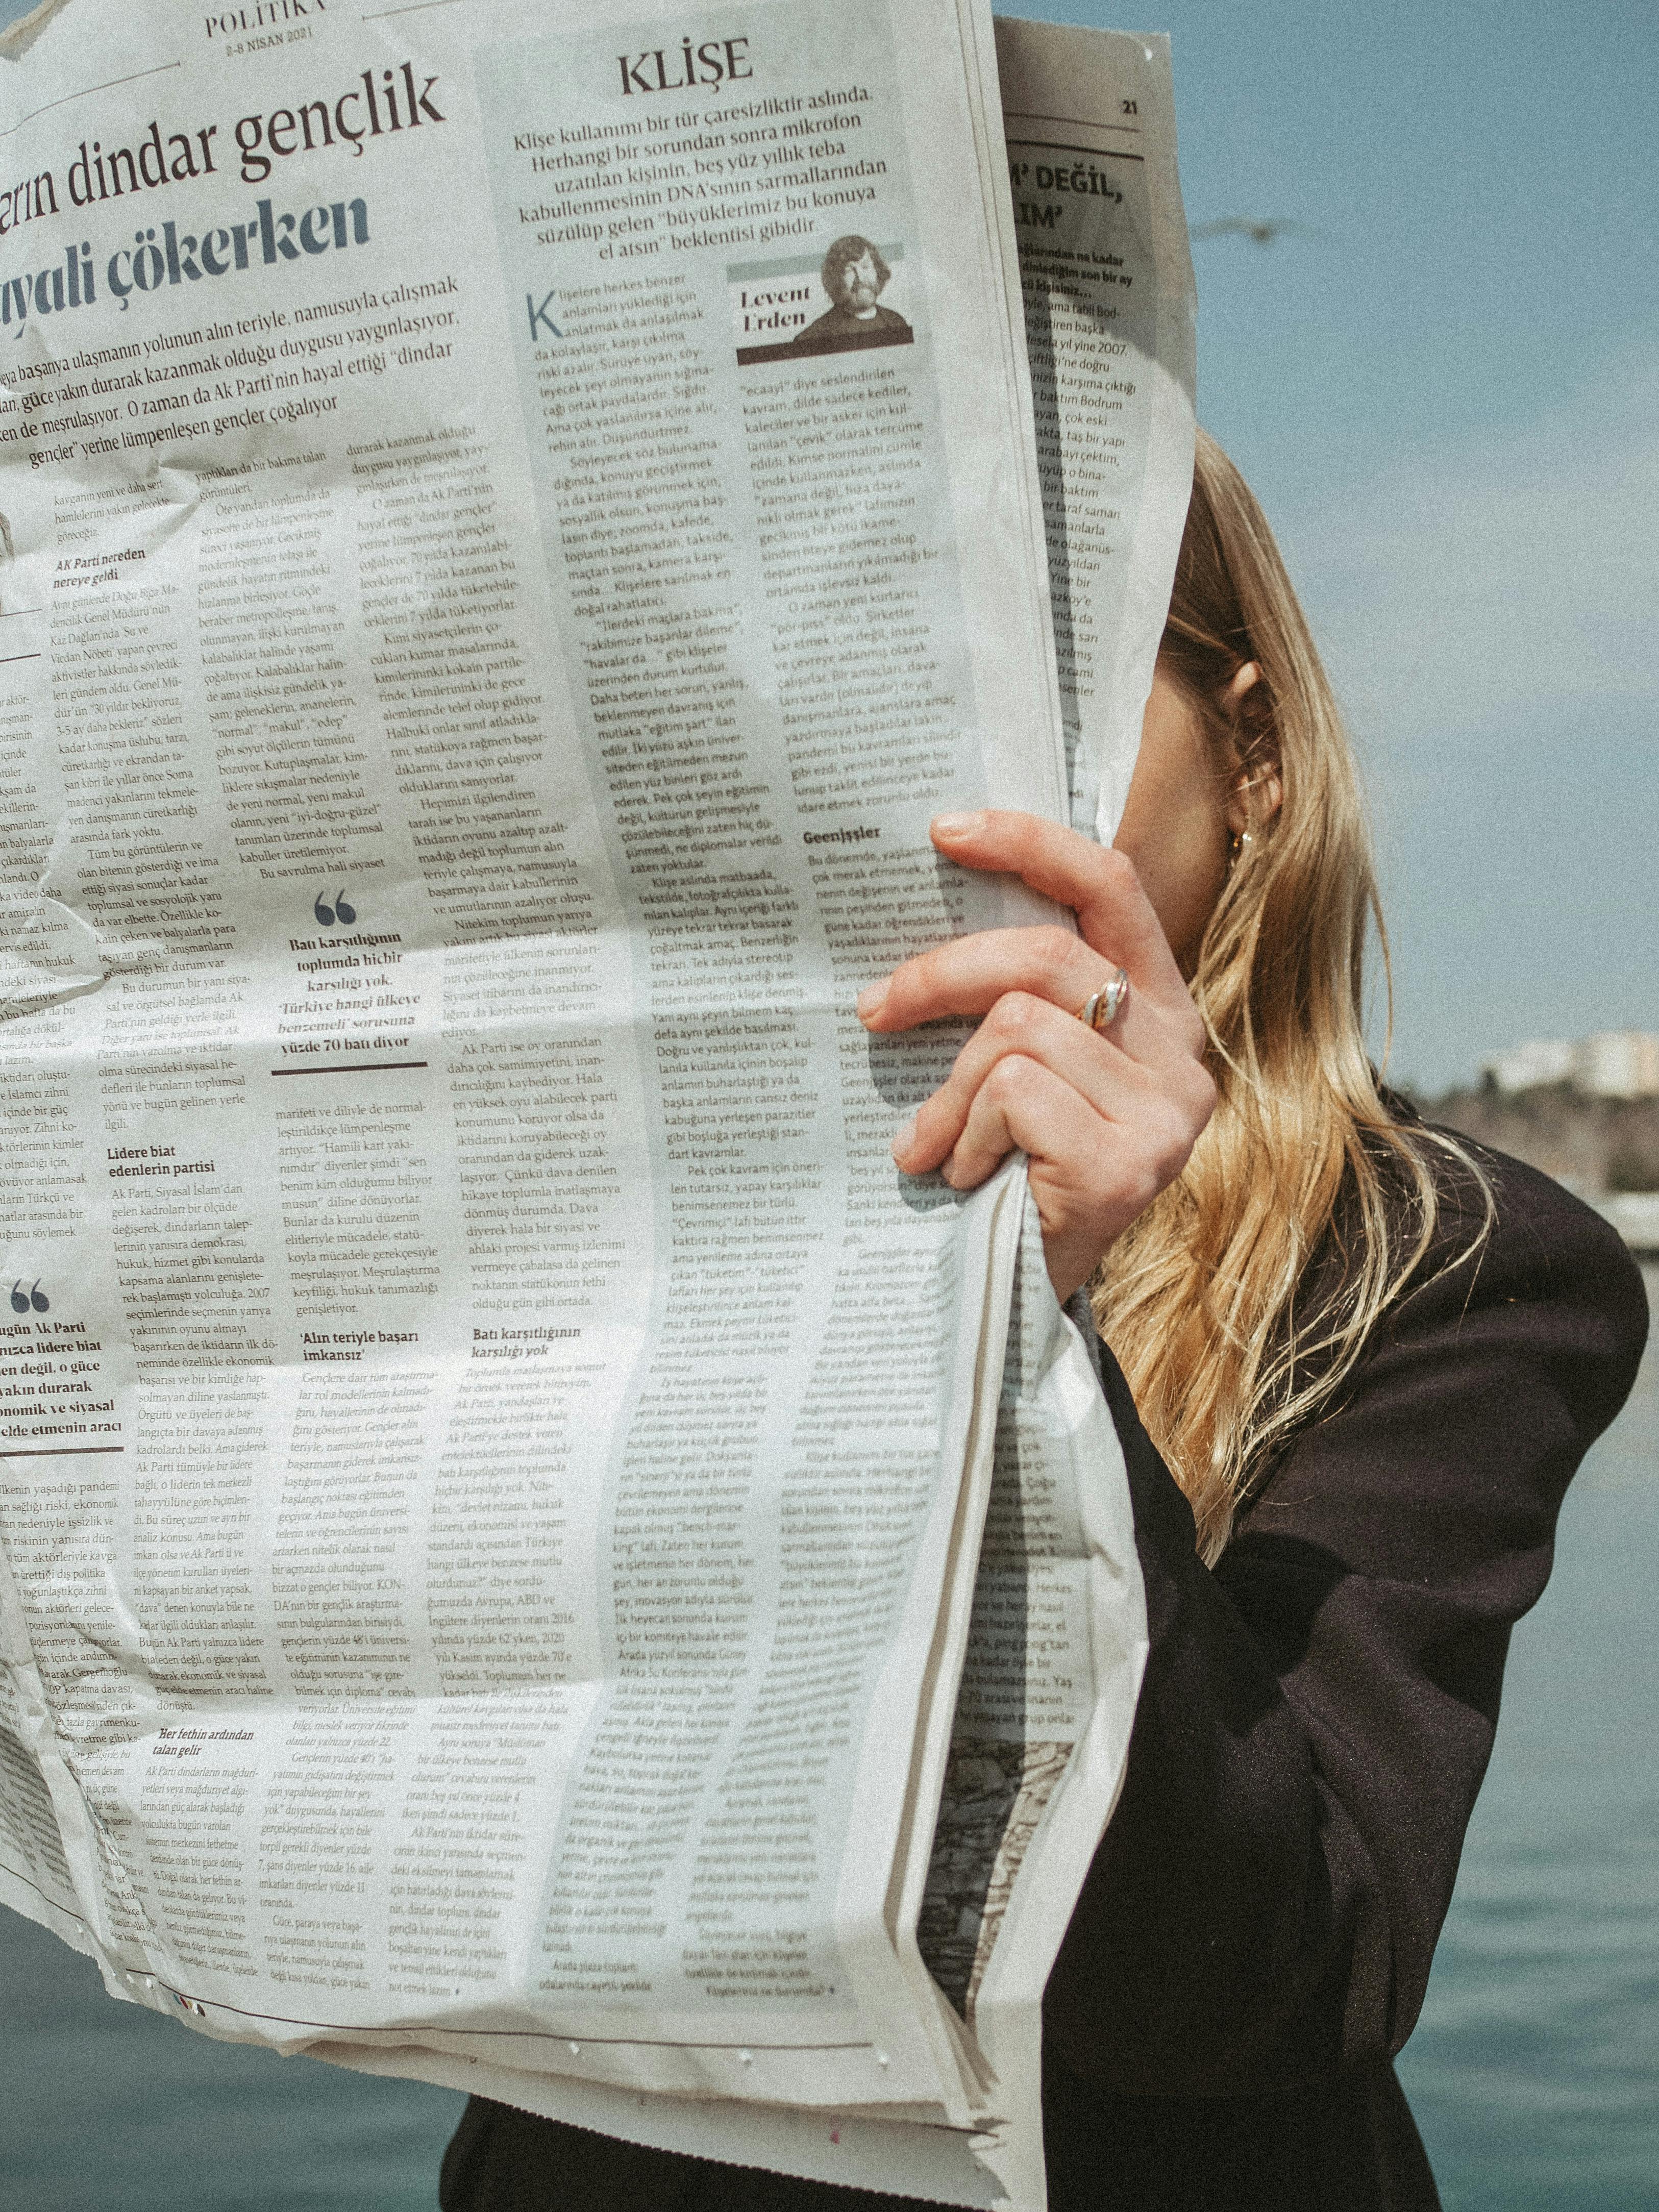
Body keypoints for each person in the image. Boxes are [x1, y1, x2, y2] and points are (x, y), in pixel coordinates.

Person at [439, 432, 1648, 2210]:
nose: (958, 764)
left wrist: (1014, 1326)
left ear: (1254, 752)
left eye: (1040, 668)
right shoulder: (646, 1211)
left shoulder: (1447, 1262)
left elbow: (1273, 1977)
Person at [789, 235, 913, 356]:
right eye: (849, 270)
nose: (860, 278)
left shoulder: (897, 323)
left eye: (866, 267)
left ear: (878, 271)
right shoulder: (812, 338)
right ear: (836, 280)